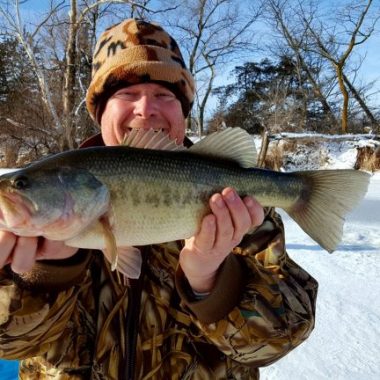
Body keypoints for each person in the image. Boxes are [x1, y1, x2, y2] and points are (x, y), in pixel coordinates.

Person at [0, 19, 318, 379]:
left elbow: (284, 336)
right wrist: (43, 276)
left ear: (183, 112)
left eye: (165, 96)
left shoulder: (240, 209)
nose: (146, 109)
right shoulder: (26, 228)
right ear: (100, 112)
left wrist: (211, 280)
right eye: (126, 94)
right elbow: (7, 346)